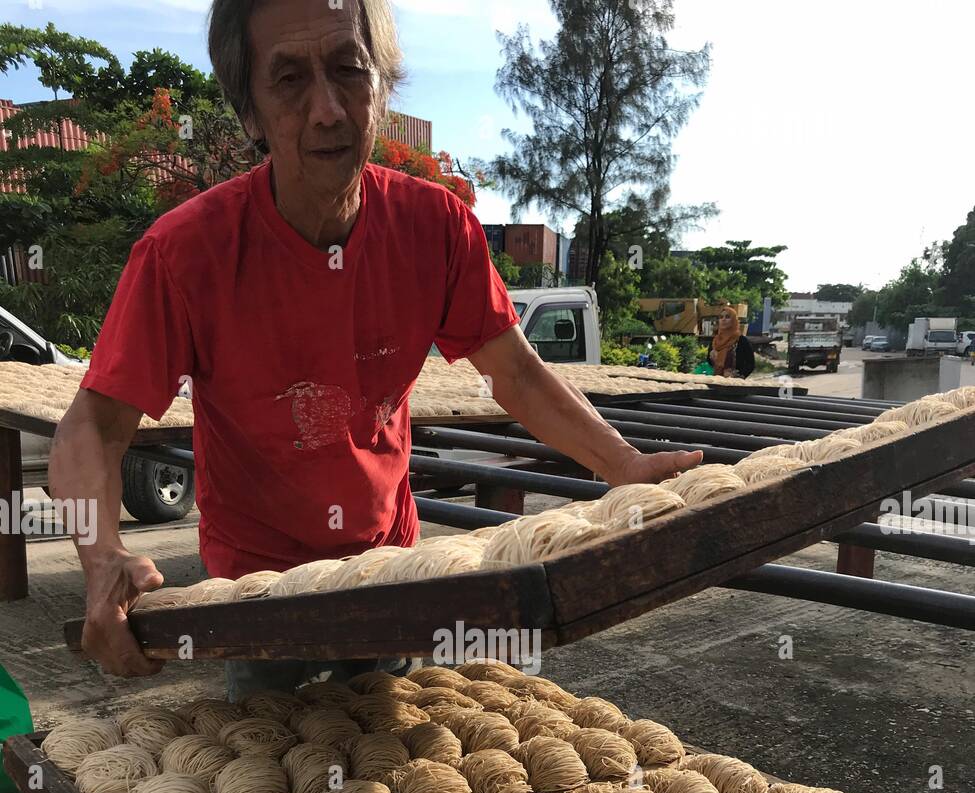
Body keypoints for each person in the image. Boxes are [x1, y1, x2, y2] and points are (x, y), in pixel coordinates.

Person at [49, 0, 703, 695]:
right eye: (290, 80)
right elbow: (92, 425)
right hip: (254, 588)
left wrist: (622, 464)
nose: (328, 109)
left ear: (381, 88)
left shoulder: (435, 228)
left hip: (389, 573)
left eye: (347, 70)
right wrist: (101, 557)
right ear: (250, 112)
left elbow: (513, 371)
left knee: (386, 776)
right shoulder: (187, 255)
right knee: (276, 780)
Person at [708, 306, 755, 379]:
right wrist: (712, 358)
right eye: (721, 317)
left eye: (727, 317)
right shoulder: (715, 341)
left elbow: (750, 364)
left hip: (734, 384)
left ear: (733, 320)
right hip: (716, 381)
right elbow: (710, 363)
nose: (723, 319)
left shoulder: (741, 340)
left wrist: (739, 375)